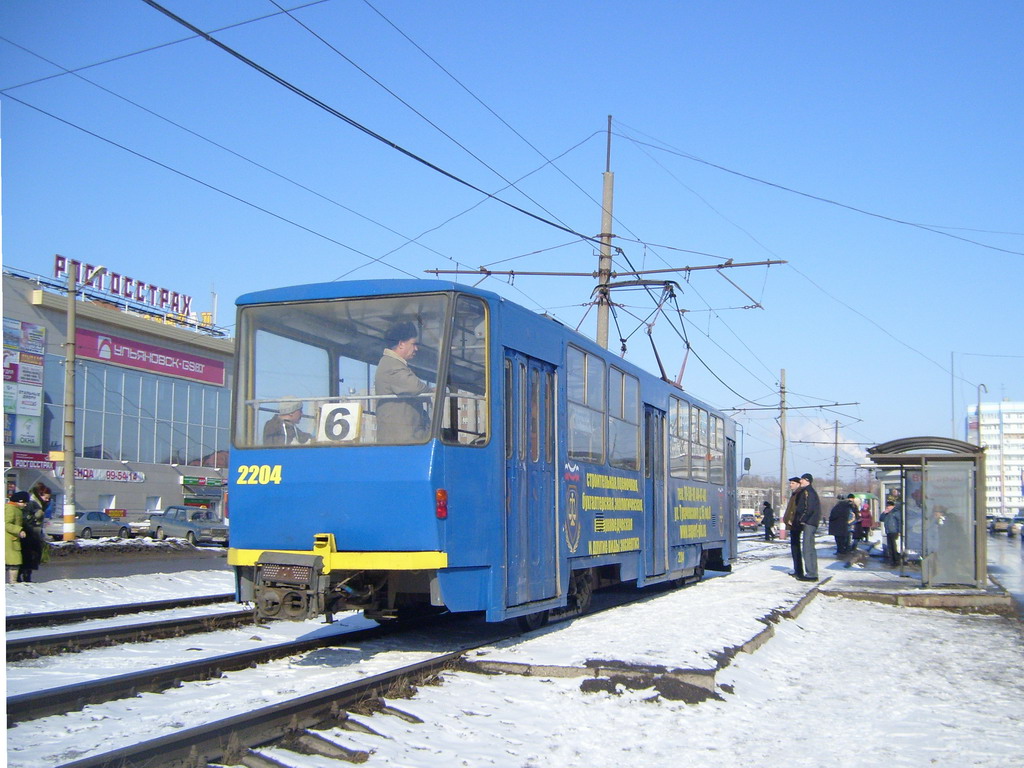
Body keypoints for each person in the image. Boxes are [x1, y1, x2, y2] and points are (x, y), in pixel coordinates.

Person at [375, 321, 430, 444]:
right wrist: (431, 391)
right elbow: (415, 387)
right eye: (413, 344)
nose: (416, 348)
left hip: (405, 439)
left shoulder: (391, 364)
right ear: (401, 344)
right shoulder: (392, 366)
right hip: (401, 440)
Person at [18, 485, 48, 582]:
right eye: (46, 497)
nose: (47, 500)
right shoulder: (31, 503)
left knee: (29, 556)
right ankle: (23, 576)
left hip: (31, 534)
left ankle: (24, 575)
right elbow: (29, 518)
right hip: (29, 534)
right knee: (29, 556)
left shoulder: (36, 503)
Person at [795, 473, 821, 581]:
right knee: (810, 548)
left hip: (809, 522)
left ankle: (811, 574)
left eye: (802, 479)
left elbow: (808, 508)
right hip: (812, 522)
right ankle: (812, 572)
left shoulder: (808, 492)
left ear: (807, 480)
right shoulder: (811, 491)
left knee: (807, 548)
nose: (800, 481)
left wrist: (802, 519)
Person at [5, 491, 29, 584]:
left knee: (13, 561)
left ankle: (13, 582)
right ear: (18, 501)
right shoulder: (11, 509)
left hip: (12, 540)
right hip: (9, 540)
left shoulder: (16, 509)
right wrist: (18, 530)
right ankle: (13, 582)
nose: (25, 505)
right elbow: (6, 524)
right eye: (24, 503)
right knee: (14, 562)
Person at [782, 477, 803, 578]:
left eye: (793, 483)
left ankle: (799, 570)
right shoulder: (794, 494)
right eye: (790, 483)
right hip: (792, 523)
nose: (790, 485)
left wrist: (792, 519)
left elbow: (796, 509)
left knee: (796, 547)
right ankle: (797, 569)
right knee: (794, 547)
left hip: (795, 524)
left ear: (798, 484)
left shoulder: (798, 494)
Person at [880, 501, 902, 566]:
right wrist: (884, 513)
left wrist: (899, 530)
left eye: (889, 506)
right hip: (888, 531)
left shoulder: (896, 512)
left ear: (892, 506)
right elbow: (881, 519)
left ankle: (896, 560)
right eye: (887, 506)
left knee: (894, 546)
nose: (888, 507)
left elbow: (899, 521)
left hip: (894, 531)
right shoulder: (887, 513)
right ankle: (892, 560)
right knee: (890, 547)